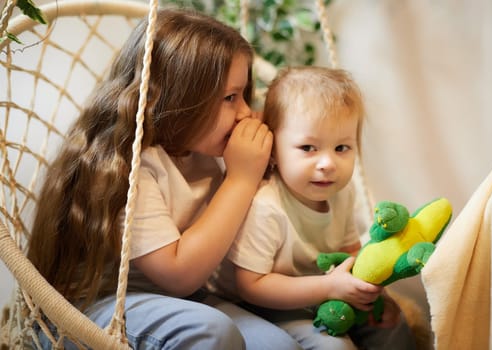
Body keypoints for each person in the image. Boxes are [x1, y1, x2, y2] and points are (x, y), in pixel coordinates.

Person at [26, 8, 302, 350]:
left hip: (182, 300)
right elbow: (180, 274)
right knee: (211, 330)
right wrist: (242, 179)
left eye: (244, 95)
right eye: (230, 98)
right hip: (92, 309)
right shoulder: (128, 166)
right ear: (176, 98)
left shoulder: (208, 147)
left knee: (279, 346)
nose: (245, 111)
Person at [209, 66, 417, 350]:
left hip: (323, 297)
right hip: (267, 305)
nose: (328, 164)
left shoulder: (342, 193)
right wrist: (329, 287)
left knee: (394, 326)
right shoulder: (266, 206)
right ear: (273, 150)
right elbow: (252, 286)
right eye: (308, 148)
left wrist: (372, 294)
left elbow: (350, 252)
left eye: (341, 148)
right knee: (335, 347)